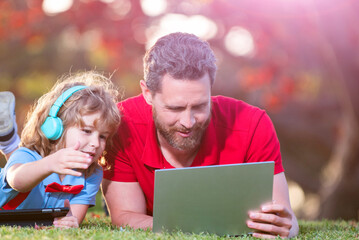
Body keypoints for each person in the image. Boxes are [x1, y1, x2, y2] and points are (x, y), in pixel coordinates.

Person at [101, 32, 299, 238]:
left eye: (200, 106)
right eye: (175, 108)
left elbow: (287, 219)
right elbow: (126, 215)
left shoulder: (253, 124)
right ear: (147, 94)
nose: (188, 122)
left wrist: (285, 227)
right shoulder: (120, 123)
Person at [0, 71, 121, 228]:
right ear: (55, 127)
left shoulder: (91, 173)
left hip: (5, 190)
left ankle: (6, 140)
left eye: (103, 136)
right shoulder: (28, 155)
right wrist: (50, 164)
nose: (96, 143)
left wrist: (70, 221)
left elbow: (73, 216)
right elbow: (16, 180)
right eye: (87, 131)